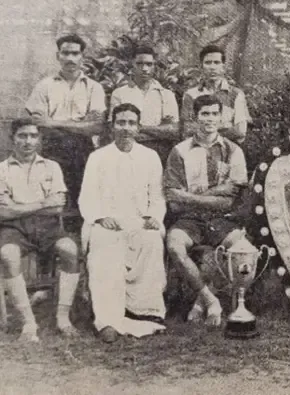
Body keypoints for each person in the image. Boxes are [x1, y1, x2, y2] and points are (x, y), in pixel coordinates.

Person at [79, 103, 167, 343]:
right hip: (107, 221)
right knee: (105, 245)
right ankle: (108, 320)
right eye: (121, 123)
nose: (126, 128)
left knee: (151, 241)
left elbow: (157, 196)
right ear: (112, 126)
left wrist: (153, 217)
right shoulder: (98, 157)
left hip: (139, 221)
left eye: (131, 123)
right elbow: (87, 196)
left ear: (138, 128)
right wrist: (100, 217)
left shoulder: (150, 157)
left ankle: (145, 313)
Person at [165, 94, 250, 326]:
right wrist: (216, 193)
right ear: (195, 117)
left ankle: (199, 304)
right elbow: (174, 202)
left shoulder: (233, 150)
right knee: (174, 245)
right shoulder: (180, 151)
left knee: (244, 251)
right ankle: (210, 299)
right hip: (189, 219)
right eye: (204, 114)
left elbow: (229, 202)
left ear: (221, 118)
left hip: (222, 219)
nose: (210, 119)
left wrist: (190, 196)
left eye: (214, 113)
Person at [0, 118, 80, 342]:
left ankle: (63, 318)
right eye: (22, 136)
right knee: (8, 254)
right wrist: (42, 204)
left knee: (70, 249)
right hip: (14, 229)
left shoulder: (51, 167)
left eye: (33, 136)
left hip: (48, 227)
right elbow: (3, 213)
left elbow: (58, 206)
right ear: (12, 139)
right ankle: (28, 323)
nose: (28, 141)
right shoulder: (2, 169)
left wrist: (18, 207)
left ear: (39, 139)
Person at [25, 34, 107, 206]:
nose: (70, 58)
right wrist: (81, 124)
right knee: (54, 199)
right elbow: (39, 123)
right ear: (58, 56)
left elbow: (96, 127)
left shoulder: (94, 88)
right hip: (52, 149)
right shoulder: (44, 86)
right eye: (65, 53)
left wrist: (53, 122)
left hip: (83, 151)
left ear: (82, 56)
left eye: (75, 53)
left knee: (83, 201)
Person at [110, 45, 179, 152]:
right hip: (128, 150)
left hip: (159, 151)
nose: (144, 69)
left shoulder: (167, 95)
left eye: (149, 64)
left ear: (154, 66)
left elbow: (173, 131)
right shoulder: (119, 93)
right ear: (132, 64)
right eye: (139, 64)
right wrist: (158, 130)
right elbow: (115, 130)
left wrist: (138, 127)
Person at [181, 45, 250, 144]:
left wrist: (204, 128)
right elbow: (187, 129)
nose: (212, 67)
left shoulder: (236, 94)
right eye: (208, 63)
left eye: (217, 62)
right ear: (201, 67)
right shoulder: (191, 94)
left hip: (227, 148)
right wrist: (226, 125)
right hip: (198, 148)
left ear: (223, 67)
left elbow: (240, 131)